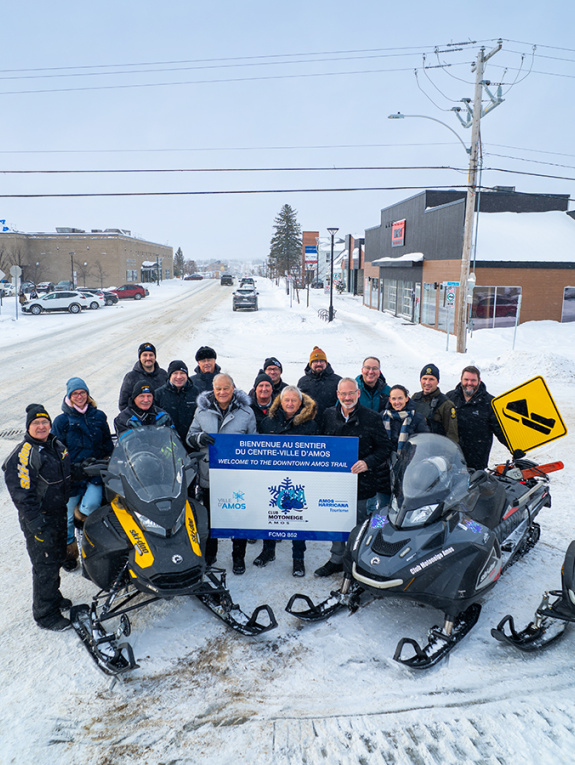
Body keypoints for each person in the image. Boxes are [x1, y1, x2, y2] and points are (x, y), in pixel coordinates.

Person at [3, 404, 72, 631]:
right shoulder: (24, 454)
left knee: (57, 557)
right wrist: (35, 522)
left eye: (44, 422)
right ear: (28, 427)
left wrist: (84, 469)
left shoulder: (55, 445)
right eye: (36, 423)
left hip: (58, 512)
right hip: (39, 518)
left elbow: (64, 473)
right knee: (44, 564)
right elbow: (21, 494)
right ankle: (45, 613)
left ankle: (53, 596)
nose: (41, 426)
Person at [315, 378, 392, 577]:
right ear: (337, 395)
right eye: (343, 394)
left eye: (351, 393)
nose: (347, 397)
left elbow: (385, 448)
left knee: (360, 526)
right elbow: (321, 444)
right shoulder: (329, 415)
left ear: (358, 393)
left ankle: (357, 565)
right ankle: (336, 560)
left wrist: (367, 462)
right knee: (337, 521)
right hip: (336, 483)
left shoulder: (371, 417)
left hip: (362, 483)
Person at [187, 374, 257, 574]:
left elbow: (254, 442)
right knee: (211, 517)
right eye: (218, 389)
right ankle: (210, 555)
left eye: (226, 388)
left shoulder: (246, 412)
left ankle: (238, 557)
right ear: (213, 389)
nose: (222, 392)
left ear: (233, 388)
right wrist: (200, 438)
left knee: (238, 517)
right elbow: (190, 437)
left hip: (237, 477)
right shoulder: (202, 410)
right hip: (210, 474)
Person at [254, 386, 319, 576]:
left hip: (299, 479)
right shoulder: (268, 422)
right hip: (272, 478)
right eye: (286, 400)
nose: (290, 404)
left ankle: (298, 558)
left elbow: (317, 451)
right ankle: (268, 551)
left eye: (294, 400)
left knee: (298, 518)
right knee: (270, 515)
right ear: (280, 402)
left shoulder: (310, 425)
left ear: (300, 402)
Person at [51, 377, 114, 571]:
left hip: (94, 472)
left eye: (82, 393)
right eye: (75, 394)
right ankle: (69, 553)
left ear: (87, 394)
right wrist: (71, 468)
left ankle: (91, 543)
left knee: (92, 506)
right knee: (67, 518)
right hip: (71, 476)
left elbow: (107, 444)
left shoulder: (98, 416)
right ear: (69, 396)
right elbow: (56, 451)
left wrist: (107, 460)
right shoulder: (61, 421)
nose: (79, 396)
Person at [373, 385, 430, 509]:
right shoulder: (382, 416)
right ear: (389, 400)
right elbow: (376, 442)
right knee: (383, 507)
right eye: (394, 399)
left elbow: (424, 443)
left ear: (406, 398)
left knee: (404, 508)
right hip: (384, 472)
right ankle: (381, 522)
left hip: (408, 471)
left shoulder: (416, 418)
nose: (397, 402)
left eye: (400, 398)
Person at [447, 366, 509, 470]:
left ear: (479, 381)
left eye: (473, 380)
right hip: (452, 459)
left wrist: (514, 448)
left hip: (476, 461)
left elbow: (500, 430)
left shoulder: (490, 403)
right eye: (466, 379)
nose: (469, 383)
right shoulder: (450, 398)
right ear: (461, 379)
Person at [154, 360, 199, 446]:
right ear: (170, 375)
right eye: (175, 373)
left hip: (191, 443)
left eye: (182, 373)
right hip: (166, 443)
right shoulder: (159, 394)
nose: (179, 377)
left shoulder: (196, 392)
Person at [411, 364, 458, 443]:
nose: (427, 382)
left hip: (436, 447)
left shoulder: (446, 404)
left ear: (437, 381)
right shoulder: (415, 397)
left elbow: (452, 435)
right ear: (420, 380)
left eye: (431, 379)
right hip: (417, 446)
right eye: (424, 378)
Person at [118, 342, 168, 411]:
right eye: (145, 355)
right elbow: (123, 404)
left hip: (161, 416)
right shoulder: (131, 377)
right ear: (140, 357)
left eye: (151, 355)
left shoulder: (163, 374)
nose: (148, 358)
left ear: (155, 357)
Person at [297, 346, 342, 422]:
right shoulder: (303, 381)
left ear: (326, 363)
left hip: (332, 423)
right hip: (309, 423)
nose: (319, 364)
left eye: (322, 361)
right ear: (310, 364)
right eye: (315, 361)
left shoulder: (338, 381)